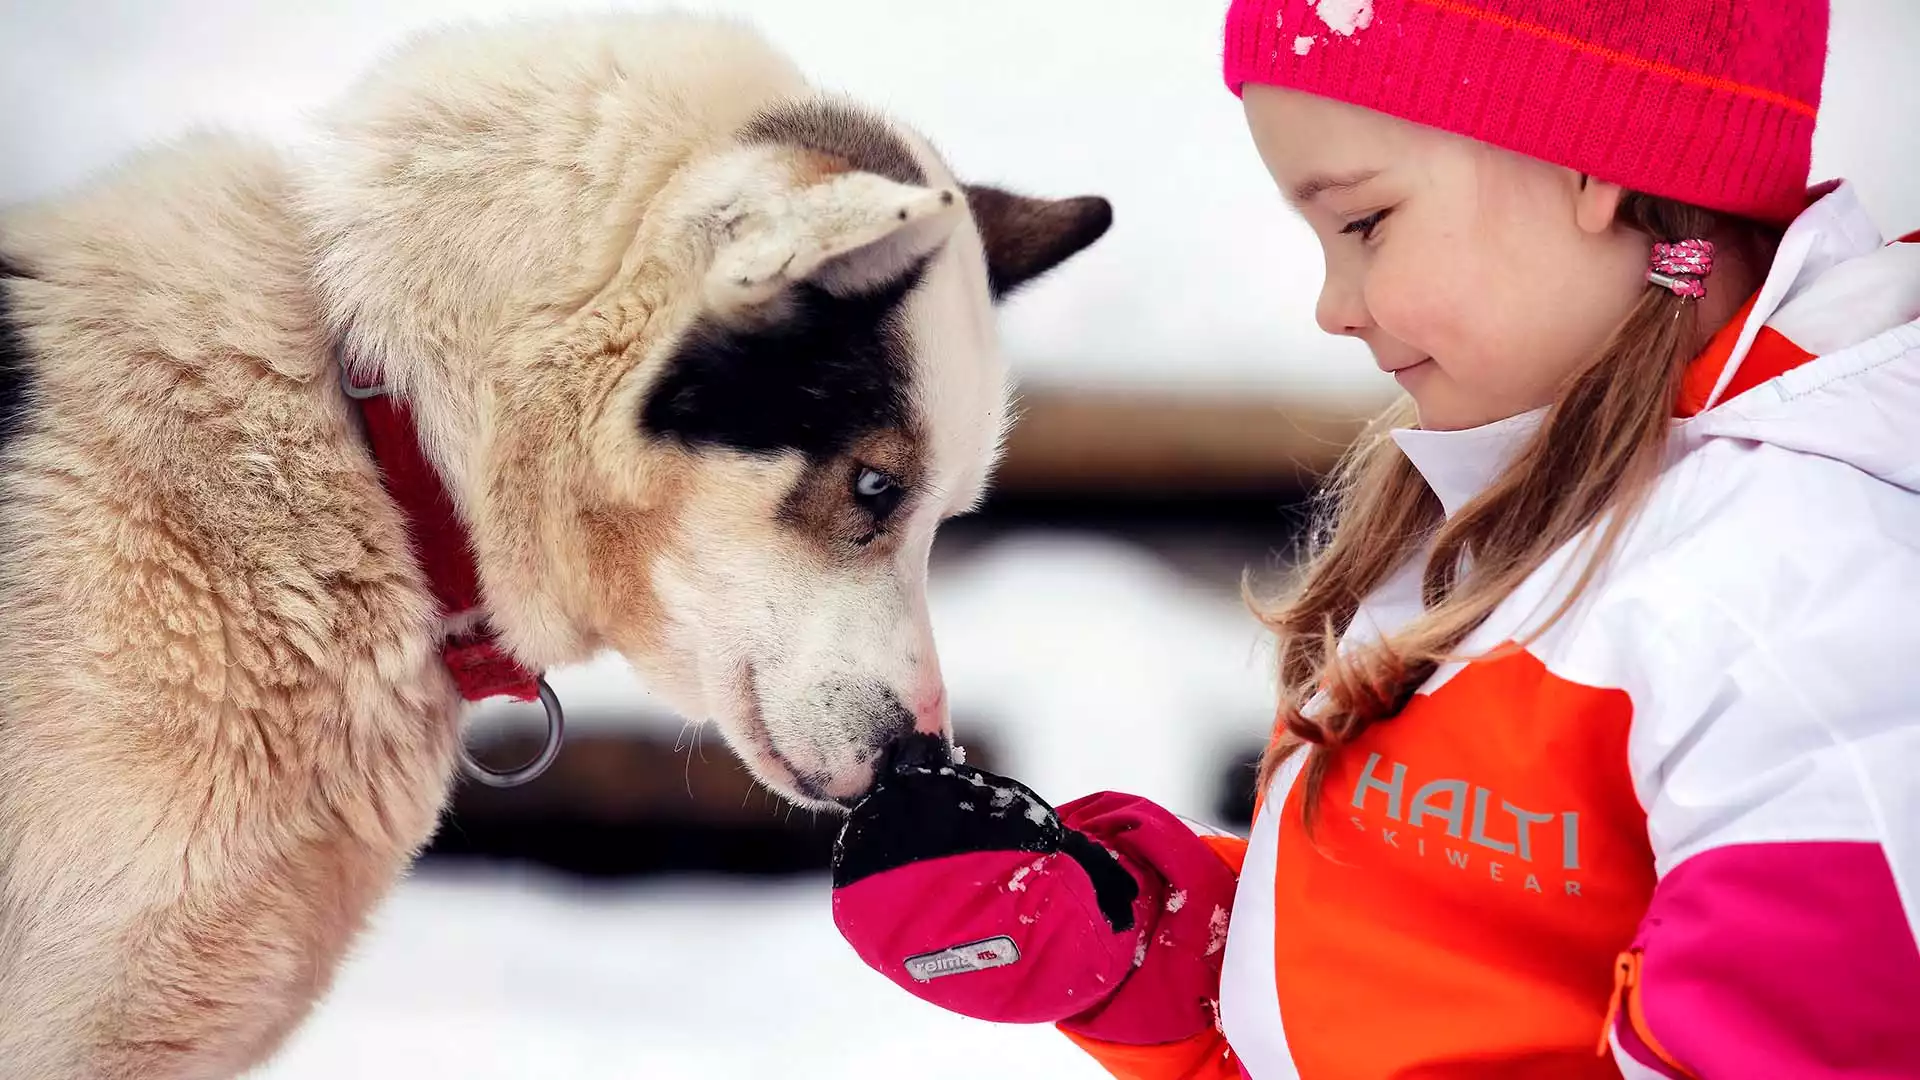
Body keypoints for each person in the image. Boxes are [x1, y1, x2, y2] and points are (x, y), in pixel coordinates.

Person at [828, 0, 1920, 1076]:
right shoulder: (1515, 509)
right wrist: (1129, 942)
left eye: (1363, 224)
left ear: (1596, 164)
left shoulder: (1794, 593)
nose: (1333, 307)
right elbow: (1431, 984)